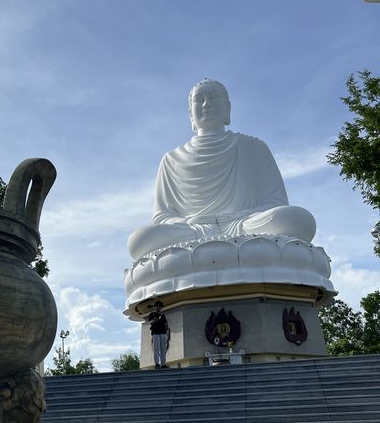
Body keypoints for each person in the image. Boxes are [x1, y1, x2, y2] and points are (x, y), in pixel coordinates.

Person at [128, 79, 317, 260]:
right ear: (190, 113)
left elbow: (276, 202)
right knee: (139, 241)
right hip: (193, 231)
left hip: (245, 226)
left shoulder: (253, 146)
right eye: (199, 99)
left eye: (213, 97)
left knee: (297, 219)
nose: (206, 104)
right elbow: (163, 216)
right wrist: (191, 224)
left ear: (228, 108)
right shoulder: (171, 159)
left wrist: (240, 218)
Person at [148, 301, 170, 369]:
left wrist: (167, 332)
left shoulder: (163, 315)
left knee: (163, 349)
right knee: (156, 349)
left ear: (161, 307)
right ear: (155, 307)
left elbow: (166, 324)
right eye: (157, 306)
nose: (158, 307)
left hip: (163, 333)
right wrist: (154, 321)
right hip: (156, 333)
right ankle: (157, 364)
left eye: (160, 306)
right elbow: (150, 322)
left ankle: (163, 364)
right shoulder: (152, 314)